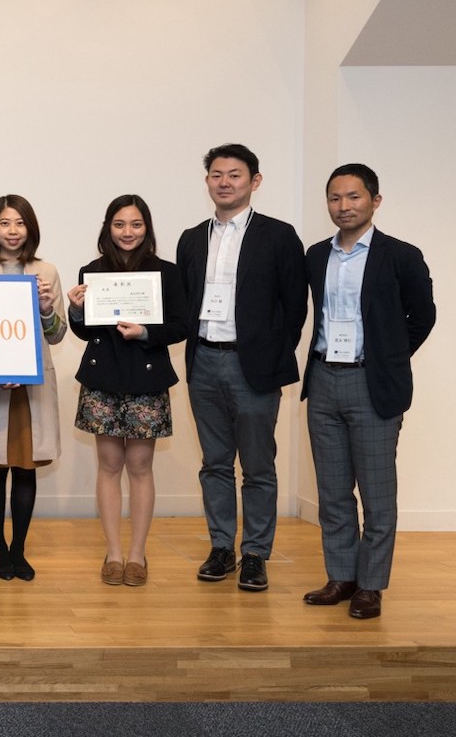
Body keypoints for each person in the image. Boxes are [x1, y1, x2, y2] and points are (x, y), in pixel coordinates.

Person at [301, 163, 435, 620]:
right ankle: (342, 576)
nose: (344, 206)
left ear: (375, 201)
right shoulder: (316, 255)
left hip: (371, 383)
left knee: (377, 494)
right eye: (335, 198)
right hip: (322, 380)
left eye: (354, 197)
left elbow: (423, 316)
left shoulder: (401, 255)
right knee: (333, 491)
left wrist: (388, 356)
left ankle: (372, 585)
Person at [176, 144, 307, 591]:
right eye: (216, 174)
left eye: (234, 174)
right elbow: (184, 301)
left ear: (255, 181)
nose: (224, 182)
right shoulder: (192, 238)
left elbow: (295, 307)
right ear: (207, 181)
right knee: (214, 463)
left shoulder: (279, 235)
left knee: (257, 466)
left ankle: (254, 553)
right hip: (204, 362)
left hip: (254, 367)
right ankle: (220, 548)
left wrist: (269, 354)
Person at [67, 195, 189, 588]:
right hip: (103, 379)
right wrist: (74, 310)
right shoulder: (93, 271)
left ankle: (137, 553)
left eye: (136, 224)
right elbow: (86, 331)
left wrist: (146, 332)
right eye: (120, 224)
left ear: (147, 229)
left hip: (146, 379)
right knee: (108, 466)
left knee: (139, 467)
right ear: (108, 228)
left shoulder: (165, 273)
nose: (127, 232)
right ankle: (114, 553)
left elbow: (180, 326)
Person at [0, 195, 66, 582]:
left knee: (26, 469)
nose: (12, 231)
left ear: (30, 228)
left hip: (31, 386)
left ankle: (19, 549)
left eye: (20, 223)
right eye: (5, 223)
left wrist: (45, 308)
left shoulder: (47, 271)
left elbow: (56, 335)